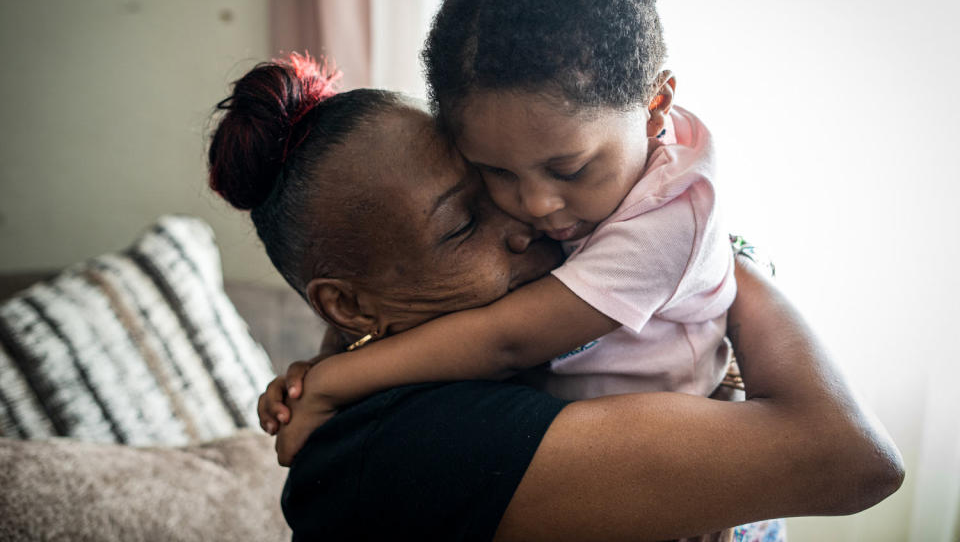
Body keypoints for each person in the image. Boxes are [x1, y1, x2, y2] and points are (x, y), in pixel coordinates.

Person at [208, 55, 903, 540]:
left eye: (496, 181)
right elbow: (854, 457)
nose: (533, 217)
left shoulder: (452, 338)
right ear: (353, 308)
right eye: (463, 224)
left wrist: (699, 251)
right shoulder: (408, 447)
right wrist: (693, 242)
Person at [259, 0, 740, 447]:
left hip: (671, 455)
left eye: (569, 170)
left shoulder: (670, 217)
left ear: (656, 107)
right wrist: (327, 358)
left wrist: (332, 382)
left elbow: (505, 341)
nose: (535, 205)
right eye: (495, 173)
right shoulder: (601, 146)